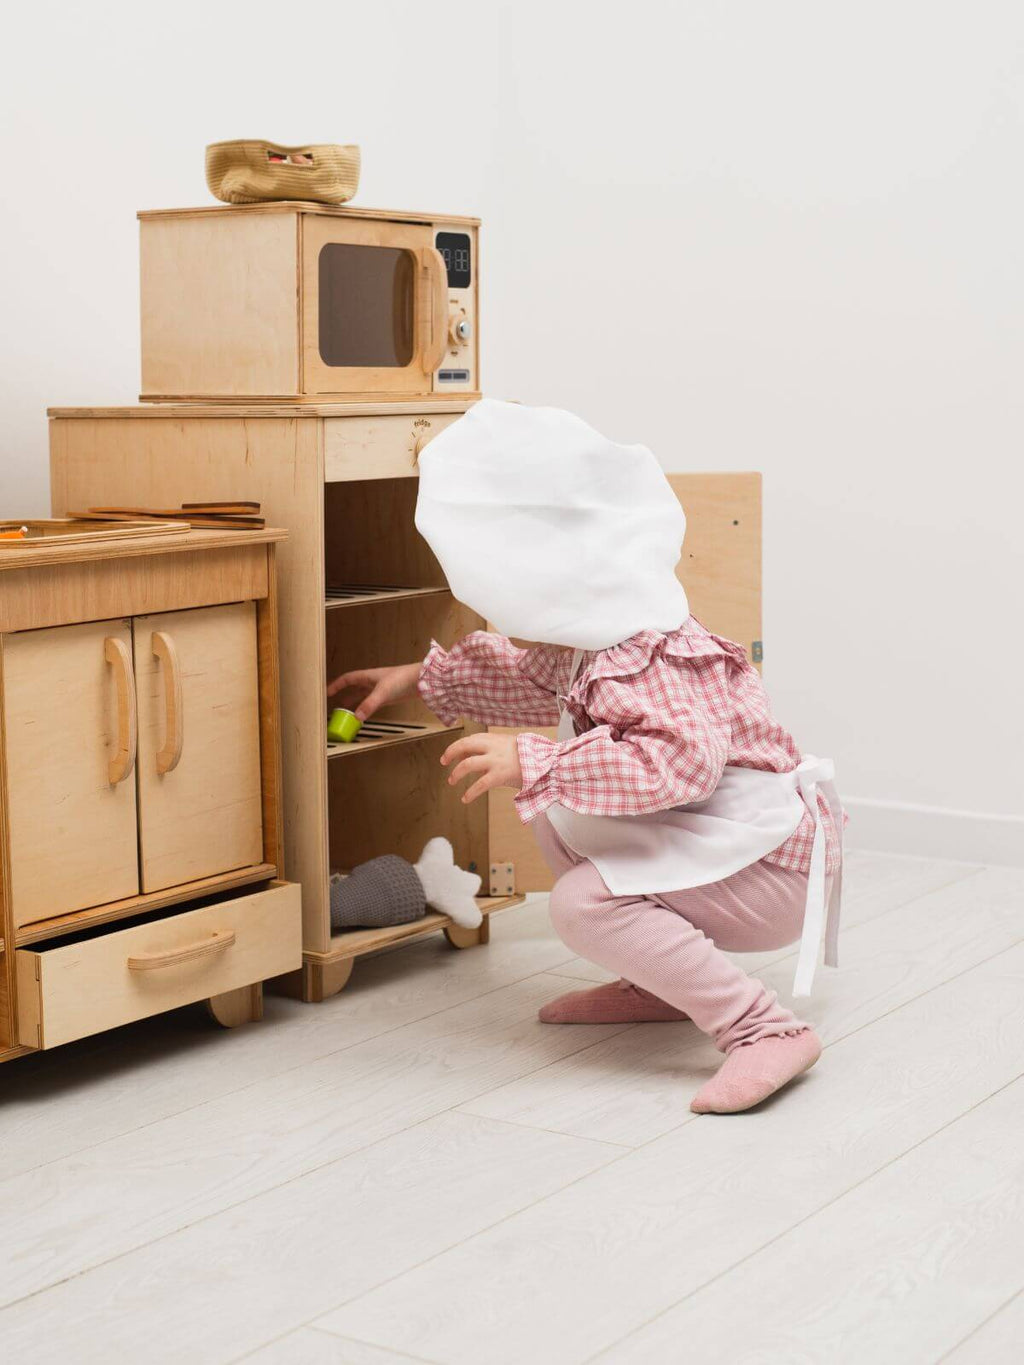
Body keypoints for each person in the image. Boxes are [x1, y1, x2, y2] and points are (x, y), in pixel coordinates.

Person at [327, 400, 843, 1114]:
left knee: (582, 901)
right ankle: (661, 981)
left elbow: (681, 765)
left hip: (773, 868)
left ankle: (762, 1028)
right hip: (729, 845)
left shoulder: (652, 656)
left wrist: (540, 762)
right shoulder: (596, 642)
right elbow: (523, 676)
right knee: (559, 810)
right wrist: (421, 677)